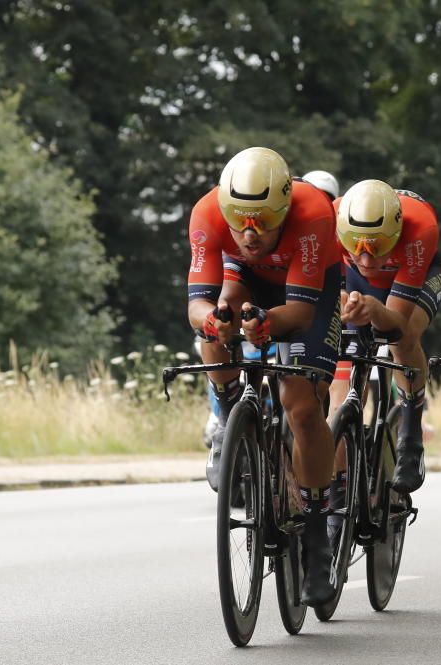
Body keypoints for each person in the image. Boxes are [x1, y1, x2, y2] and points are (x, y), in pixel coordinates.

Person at [186, 146, 342, 607]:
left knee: (301, 406)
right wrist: (214, 322)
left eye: (264, 223)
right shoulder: (207, 213)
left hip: (307, 287)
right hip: (247, 278)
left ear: (284, 209)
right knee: (218, 318)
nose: (251, 234)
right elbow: (196, 303)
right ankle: (230, 416)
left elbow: (298, 312)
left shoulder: (312, 211)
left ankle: (317, 532)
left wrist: (268, 325)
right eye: (241, 224)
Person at [330, 180, 441, 495]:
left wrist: (373, 309)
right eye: (358, 248)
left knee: (402, 339)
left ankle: (410, 433)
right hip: (355, 281)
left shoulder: (420, 228)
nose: (367, 259)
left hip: (414, 276)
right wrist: (344, 301)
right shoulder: (331, 220)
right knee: (338, 395)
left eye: (376, 248)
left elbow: (395, 324)